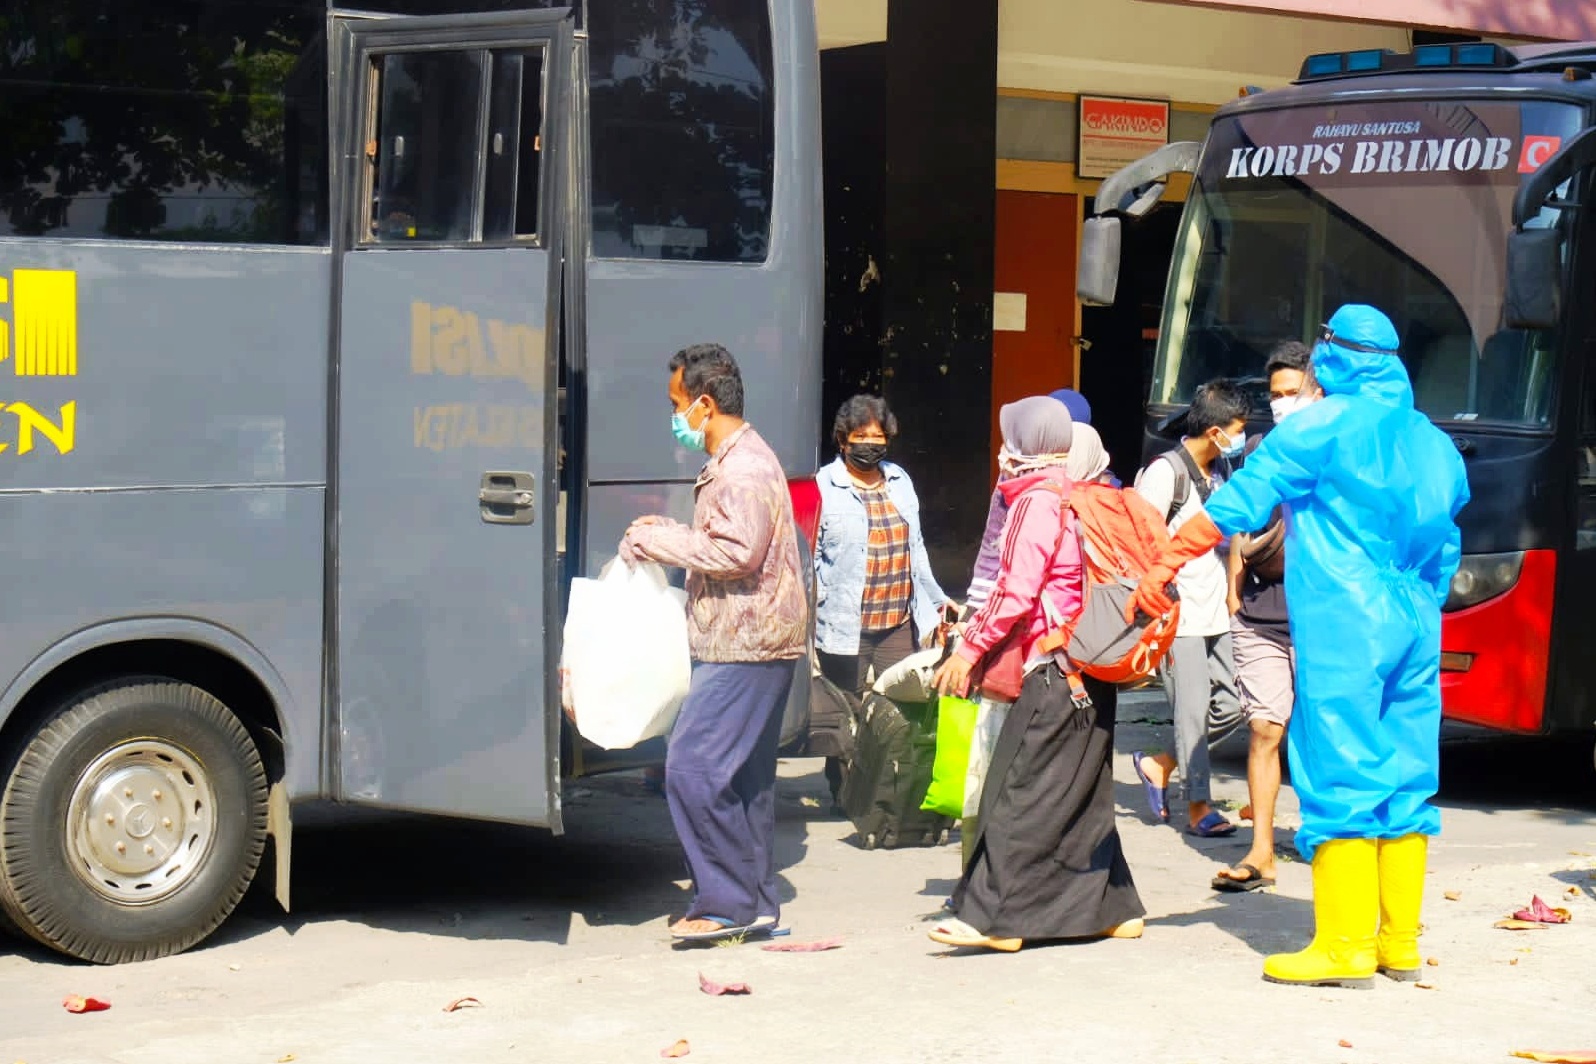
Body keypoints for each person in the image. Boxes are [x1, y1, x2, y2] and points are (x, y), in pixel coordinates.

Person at [1130, 305, 1469, 987]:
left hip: (1345, 616)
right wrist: (1420, 604)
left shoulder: (1318, 429)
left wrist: (1163, 562)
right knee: (1406, 774)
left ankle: (1343, 948)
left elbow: (1234, 506)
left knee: (1338, 770)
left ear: (1335, 359)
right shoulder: (1435, 442)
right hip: (1413, 618)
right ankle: (1398, 942)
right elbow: (1449, 537)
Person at [926, 397, 1145, 952]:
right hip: (1090, 663)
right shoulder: (1079, 492)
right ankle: (1112, 909)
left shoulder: (1035, 502)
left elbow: (1015, 592)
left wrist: (967, 651)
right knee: (1082, 794)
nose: (1002, 450)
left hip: (1051, 667)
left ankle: (994, 918)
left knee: (1016, 791)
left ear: (1022, 444)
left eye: (1008, 438)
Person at [620, 343, 808, 941]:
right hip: (753, 639)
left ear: (704, 403)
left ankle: (724, 902)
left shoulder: (743, 470)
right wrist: (671, 531)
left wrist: (660, 543)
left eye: (677, 404)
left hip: (744, 643)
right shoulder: (739, 458)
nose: (674, 416)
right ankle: (750, 904)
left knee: (693, 768)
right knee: (743, 782)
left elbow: (736, 552)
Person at [1213, 342, 1322, 893]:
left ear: (1317, 390)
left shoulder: (1336, 449)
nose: (1281, 404)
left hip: (1321, 614)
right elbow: (1238, 519)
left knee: (1320, 732)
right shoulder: (1258, 451)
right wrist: (1234, 588)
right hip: (1260, 612)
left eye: (1291, 393)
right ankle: (1261, 850)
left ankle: (1328, 837)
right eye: (1275, 395)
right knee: (1264, 728)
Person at [813, 394, 953, 807]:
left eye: (878, 437)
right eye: (861, 436)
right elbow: (813, 553)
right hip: (844, 625)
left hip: (896, 620)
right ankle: (849, 795)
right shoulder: (824, 486)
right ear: (843, 440)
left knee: (902, 708)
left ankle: (895, 792)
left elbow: (917, 548)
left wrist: (937, 601)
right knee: (848, 714)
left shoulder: (899, 480)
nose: (870, 444)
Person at [1129, 380, 1249, 837]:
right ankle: (1198, 805)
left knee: (1234, 702)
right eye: (1235, 429)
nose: (1238, 439)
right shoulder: (1165, 473)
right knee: (1193, 710)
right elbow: (1139, 540)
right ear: (1214, 429)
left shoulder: (1221, 472)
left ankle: (1162, 764)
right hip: (1178, 614)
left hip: (1216, 606)